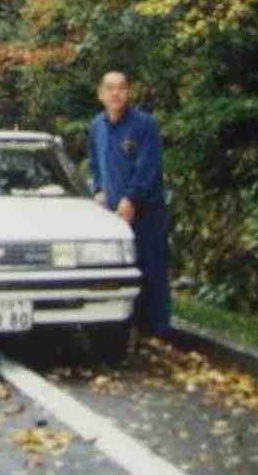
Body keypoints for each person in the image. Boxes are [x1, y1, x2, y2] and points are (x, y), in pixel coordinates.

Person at [88, 70, 171, 338]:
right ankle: (125, 329)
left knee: (151, 271)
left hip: (147, 211)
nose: (116, 93)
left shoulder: (145, 124)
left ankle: (158, 333)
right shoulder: (97, 126)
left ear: (129, 92)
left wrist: (131, 197)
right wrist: (99, 190)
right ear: (100, 94)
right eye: (110, 88)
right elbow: (95, 162)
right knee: (119, 273)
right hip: (114, 213)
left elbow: (149, 166)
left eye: (121, 88)